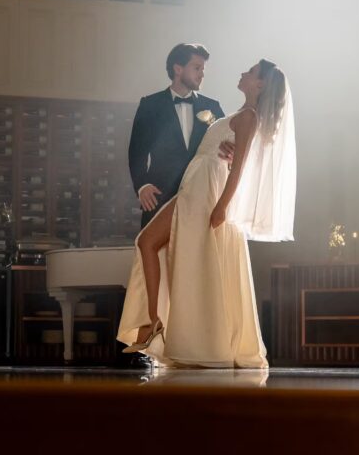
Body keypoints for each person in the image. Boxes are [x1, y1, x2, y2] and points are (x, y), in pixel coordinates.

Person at [118, 59, 296, 368]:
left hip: (206, 195)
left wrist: (222, 207)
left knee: (178, 255)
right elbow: (227, 155)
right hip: (193, 188)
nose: (243, 72)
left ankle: (171, 329)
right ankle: (155, 320)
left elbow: (240, 169)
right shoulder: (239, 114)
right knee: (147, 242)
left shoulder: (249, 117)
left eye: (251, 71)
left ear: (260, 84)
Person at [128, 43, 226, 230]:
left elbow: (224, 145)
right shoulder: (150, 105)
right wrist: (142, 186)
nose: (202, 74)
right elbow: (136, 151)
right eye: (197, 68)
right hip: (159, 197)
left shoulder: (212, 107)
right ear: (178, 69)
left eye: (203, 69)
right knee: (154, 247)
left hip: (201, 197)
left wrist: (228, 152)